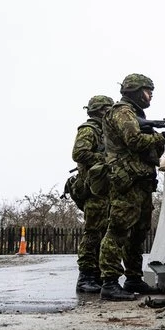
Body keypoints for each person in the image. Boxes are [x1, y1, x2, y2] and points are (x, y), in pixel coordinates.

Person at [99, 73, 165, 301]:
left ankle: (134, 278)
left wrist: (159, 138)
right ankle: (109, 282)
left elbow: (147, 150)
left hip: (141, 181)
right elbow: (134, 141)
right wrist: (164, 137)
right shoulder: (122, 112)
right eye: (147, 91)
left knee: (138, 233)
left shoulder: (136, 115)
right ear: (135, 91)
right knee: (118, 230)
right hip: (127, 181)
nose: (151, 95)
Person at [72, 95, 114, 293]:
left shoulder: (106, 131)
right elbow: (78, 153)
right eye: (109, 109)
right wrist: (106, 157)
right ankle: (86, 276)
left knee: (103, 231)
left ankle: (96, 274)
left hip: (103, 188)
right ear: (100, 110)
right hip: (92, 190)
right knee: (93, 232)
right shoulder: (89, 129)